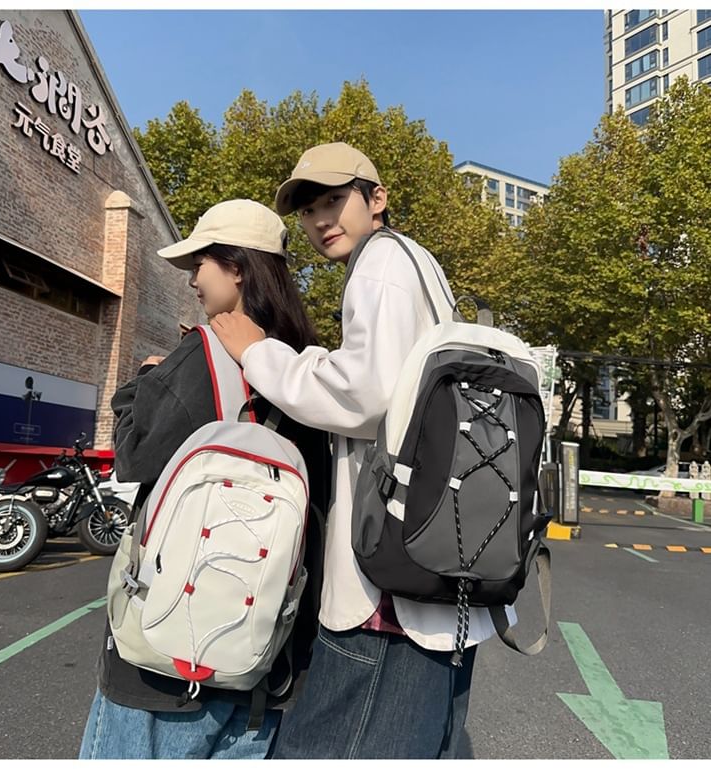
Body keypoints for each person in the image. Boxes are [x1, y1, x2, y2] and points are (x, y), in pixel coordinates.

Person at [211, 143, 508, 759]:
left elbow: (366, 395)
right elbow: (393, 380)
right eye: (310, 209)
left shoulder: (379, 264)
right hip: (440, 562)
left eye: (333, 201)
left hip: (387, 586)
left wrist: (260, 353)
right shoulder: (420, 264)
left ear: (377, 200)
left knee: (333, 744)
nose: (321, 220)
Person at [79, 199, 331, 760]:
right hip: (260, 656)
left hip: (160, 661)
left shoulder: (205, 352)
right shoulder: (305, 365)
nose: (193, 279)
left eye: (201, 263)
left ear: (237, 268)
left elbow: (133, 458)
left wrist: (141, 387)